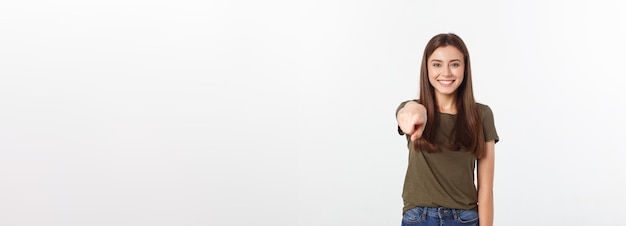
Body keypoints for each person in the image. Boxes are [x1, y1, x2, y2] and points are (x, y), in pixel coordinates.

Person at [395, 33, 499, 226]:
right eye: (437, 64)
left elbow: (485, 187)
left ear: (465, 68)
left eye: (454, 64)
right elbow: (406, 115)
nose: (446, 73)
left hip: (465, 219)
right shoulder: (414, 110)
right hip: (419, 218)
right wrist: (414, 110)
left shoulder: (482, 114)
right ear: (426, 68)